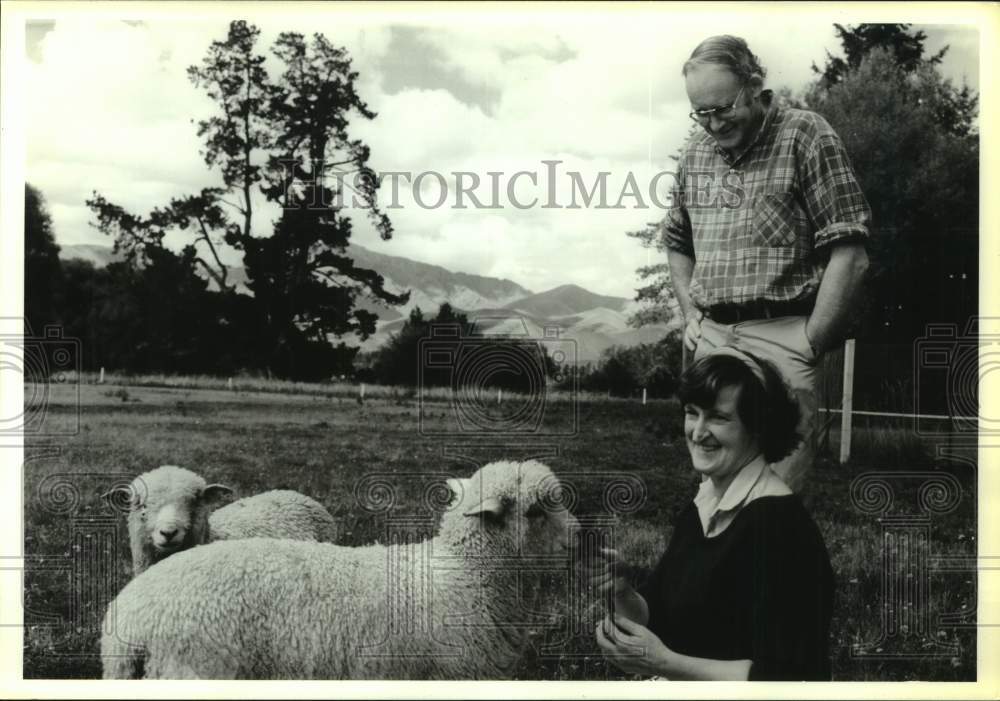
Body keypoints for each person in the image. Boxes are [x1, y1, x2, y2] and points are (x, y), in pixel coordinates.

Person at [663, 35, 872, 490]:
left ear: (755, 86)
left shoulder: (806, 134)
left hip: (785, 342)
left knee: (776, 498)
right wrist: (690, 314)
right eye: (702, 112)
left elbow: (850, 251)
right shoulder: (694, 156)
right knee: (713, 493)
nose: (713, 124)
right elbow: (676, 241)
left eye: (723, 108)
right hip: (712, 341)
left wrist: (812, 340)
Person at [592, 348, 835, 680]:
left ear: (759, 427)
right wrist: (622, 592)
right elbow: (658, 615)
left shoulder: (781, 529)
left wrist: (664, 664)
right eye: (692, 413)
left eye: (718, 418)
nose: (698, 431)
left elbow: (790, 679)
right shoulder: (703, 506)